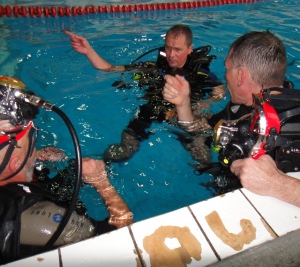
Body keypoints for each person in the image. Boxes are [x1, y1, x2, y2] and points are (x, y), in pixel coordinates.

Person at [0, 77, 133, 264]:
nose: (34, 147)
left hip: (25, 184)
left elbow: (11, 160)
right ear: (14, 164)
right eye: (33, 139)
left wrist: (34, 155)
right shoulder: (38, 221)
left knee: (74, 169)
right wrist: (103, 184)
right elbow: (125, 240)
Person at [162, 30, 300, 207]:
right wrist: (183, 104)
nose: (225, 76)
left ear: (241, 76)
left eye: (227, 69)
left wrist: (277, 184)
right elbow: (202, 132)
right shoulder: (240, 108)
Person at [65, 25, 224, 164]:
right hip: (152, 109)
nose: (171, 54)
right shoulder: (153, 67)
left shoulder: (202, 75)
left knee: (202, 157)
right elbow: (110, 69)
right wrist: (88, 51)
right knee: (123, 150)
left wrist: (204, 103)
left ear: (190, 49)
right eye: (168, 47)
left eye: (178, 49)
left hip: (182, 116)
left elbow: (219, 93)